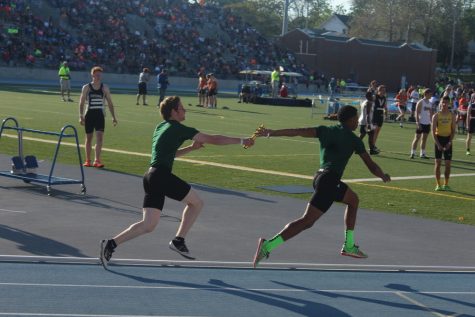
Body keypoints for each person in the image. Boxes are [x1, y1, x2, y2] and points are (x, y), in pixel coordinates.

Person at [99, 96, 254, 268]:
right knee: (196, 204)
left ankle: (111, 243)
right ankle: (179, 240)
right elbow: (214, 139)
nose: (185, 110)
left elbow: (167, 155)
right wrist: (242, 141)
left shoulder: (160, 127)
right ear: (174, 111)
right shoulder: (178, 129)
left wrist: (190, 148)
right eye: (182, 108)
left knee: (148, 225)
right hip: (161, 177)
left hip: (150, 177)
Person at [252, 105, 391, 268]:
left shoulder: (326, 130)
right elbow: (371, 165)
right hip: (330, 181)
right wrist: (382, 175)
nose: (358, 120)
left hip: (320, 177)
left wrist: (272, 132)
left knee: (353, 200)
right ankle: (268, 245)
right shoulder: (354, 140)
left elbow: (299, 131)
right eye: (357, 117)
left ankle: (349, 244)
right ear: (352, 119)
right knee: (306, 221)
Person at [79, 66, 118, 168]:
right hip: (89, 115)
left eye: (100, 75)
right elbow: (81, 102)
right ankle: (87, 160)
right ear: (92, 75)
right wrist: (81, 115)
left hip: (100, 115)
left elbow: (109, 102)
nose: (98, 76)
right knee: (89, 138)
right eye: (97, 74)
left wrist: (113, 117)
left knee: (100, 137)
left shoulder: (104, 87)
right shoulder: (86, 87)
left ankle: (97, 160)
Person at [432, 96, 456, 191]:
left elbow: (453, 130)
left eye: (446, 102)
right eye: (443, 102)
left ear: (449, 104)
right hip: (439, 139)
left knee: (448, 164)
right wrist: (437, 144)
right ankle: (438, 184)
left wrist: (449, 142)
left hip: (448, 140)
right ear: (440, 103)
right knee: (437, 163)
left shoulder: (452, 115)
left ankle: (446, 184)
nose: (444, 104)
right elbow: (433, 132)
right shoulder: (436, 116)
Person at [410, 89, 433, 159]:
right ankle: (412, 153)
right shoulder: (420, 102)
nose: (431, 95)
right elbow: (416, 113)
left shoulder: (430, 103)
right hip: (421, 123)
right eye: (430, 94)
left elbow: (431, 114)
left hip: (427, 123)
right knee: (417, 138)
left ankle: (422, 154)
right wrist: (417, 122)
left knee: (424, 139)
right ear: (426, 94)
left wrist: (431, 122)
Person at [371, 85, 387, 151]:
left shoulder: (384, 98)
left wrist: (386, 114)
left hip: (380, 115)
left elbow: (385, 107)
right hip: (375, 115)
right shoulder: (375, 96)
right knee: (374, 131)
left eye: (384, 91)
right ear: (379, 90)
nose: (383, 92)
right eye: (382, 90)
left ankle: (373, 145)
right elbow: (370, 103)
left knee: (377, 131)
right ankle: (371, 146)